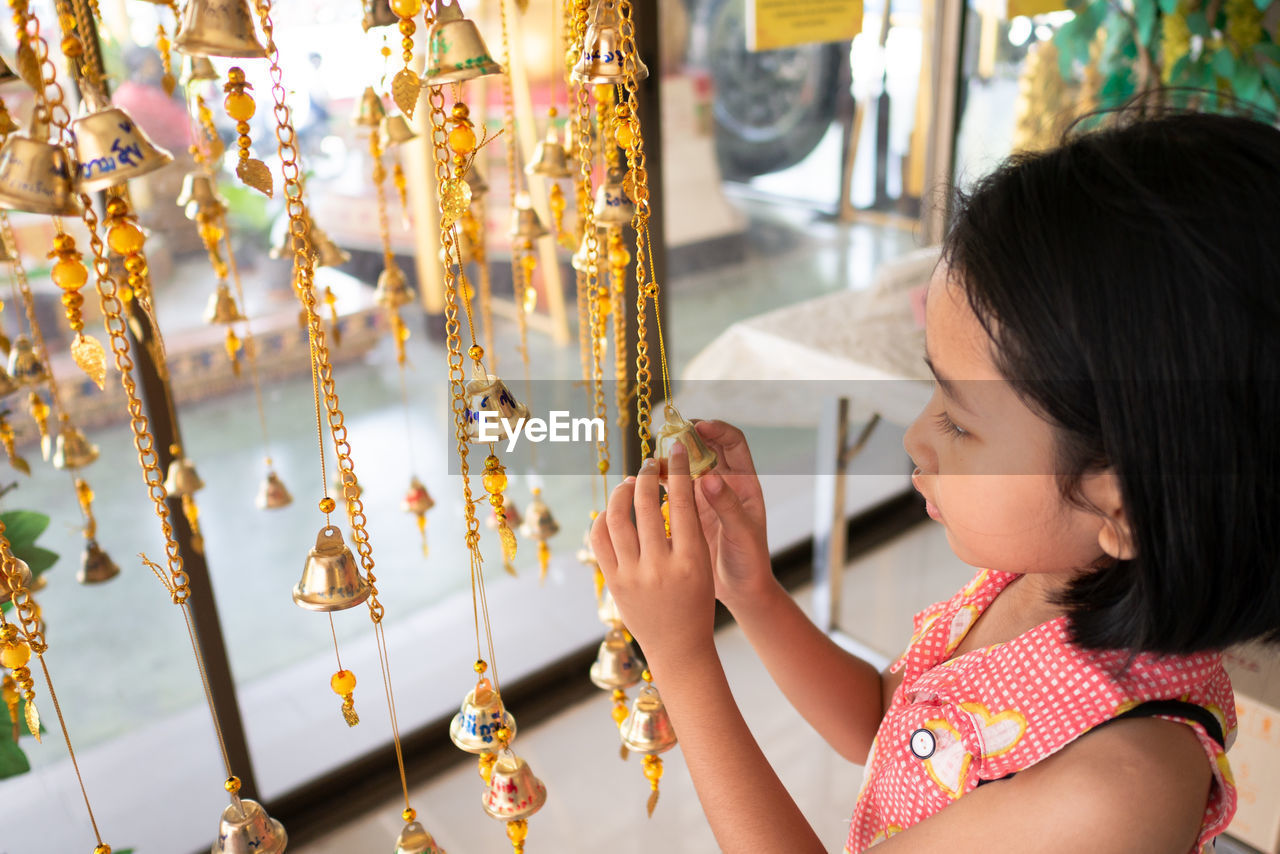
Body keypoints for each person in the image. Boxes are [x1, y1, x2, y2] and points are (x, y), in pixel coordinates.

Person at [592, 109, 1280, 853]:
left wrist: (682, 659)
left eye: (959, 419)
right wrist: (749, 587)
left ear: (1122, 508)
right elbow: (881, 721)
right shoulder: (1045, 580)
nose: (917, 437)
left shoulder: (1112, 791)